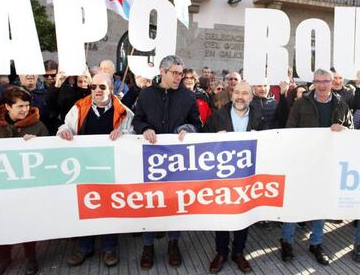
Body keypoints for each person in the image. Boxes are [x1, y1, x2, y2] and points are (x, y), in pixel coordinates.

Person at [57, 73, 134, 268]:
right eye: (93, 87)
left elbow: (134, 134)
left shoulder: (125, 112)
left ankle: (109, 248)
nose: (97, 91)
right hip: (84, 168)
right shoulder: (78, 108)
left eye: (102, 87)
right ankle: (85, 247)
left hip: (112, 169)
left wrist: (124, 134)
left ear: (111, 89)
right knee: (86, 207)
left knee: (109, 208)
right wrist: (63, 132)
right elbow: (65, 126)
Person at [132, 55, 201, 270]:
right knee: (150, 203)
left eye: (181, 73)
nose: (179, 77)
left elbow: (197, 123)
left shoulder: (188, 97)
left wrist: (187, 129)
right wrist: (145, 128)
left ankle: (173, 243)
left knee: (174, 202)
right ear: (162, 72)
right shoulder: (146, 95)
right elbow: (137, 120)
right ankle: (148, 246)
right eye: (174, 73)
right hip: (150, 161)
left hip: (176, 162)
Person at [281, 68, 353, 266]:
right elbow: (290, 130)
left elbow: (351, 132)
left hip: (328, 163)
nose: (322, 85)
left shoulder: (341, 104)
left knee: (321, 203)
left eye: (326, 81)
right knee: (295, 203)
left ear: (332, 83)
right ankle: (286, 241)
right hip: (302, 162)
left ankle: (316, 243)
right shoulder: (300, 103)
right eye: (318, 81)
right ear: (313, 82)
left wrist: (344, 130)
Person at [0, 86, 48, 275]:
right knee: (1, 220)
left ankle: (30, 256)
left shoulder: (38, 126)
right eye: (20, 106)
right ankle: (4, 256)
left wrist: (37, 144)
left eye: (27, 105)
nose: (25, 110)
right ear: (7, 107)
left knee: (27, 220)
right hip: (1, 186)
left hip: (28, 186)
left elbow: (50, 156)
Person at [204, 81, 266, 274]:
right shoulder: (218, 116)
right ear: (232, 95)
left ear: (251, 97)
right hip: (222, 176)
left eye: (245, 93)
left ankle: (238, 252)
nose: (240, 96)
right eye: (237, 92)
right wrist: (214, 138)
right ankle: (221, 252)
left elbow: (271, 142)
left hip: (248, 176)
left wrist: (261, 138)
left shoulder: (259, 117)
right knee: (222, 214)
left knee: (243, 214)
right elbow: (202, 139)